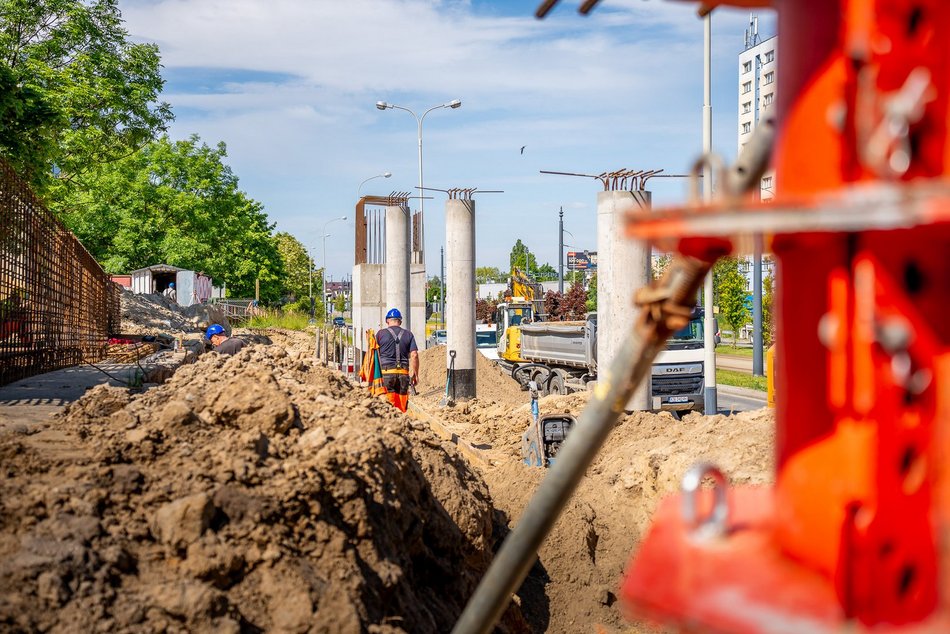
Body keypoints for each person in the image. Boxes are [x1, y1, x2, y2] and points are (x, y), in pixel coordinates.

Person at [375, 308, 419, 412]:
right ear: (400, 321)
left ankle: (390, 424)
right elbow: (414, 355)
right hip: (403, 374)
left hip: (386, 373)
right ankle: (402, 423)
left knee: (388, 404)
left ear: (387, 321)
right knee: (401, 403)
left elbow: (375, 354)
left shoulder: (380, 334)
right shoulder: (409, 334)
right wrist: (416, 374)